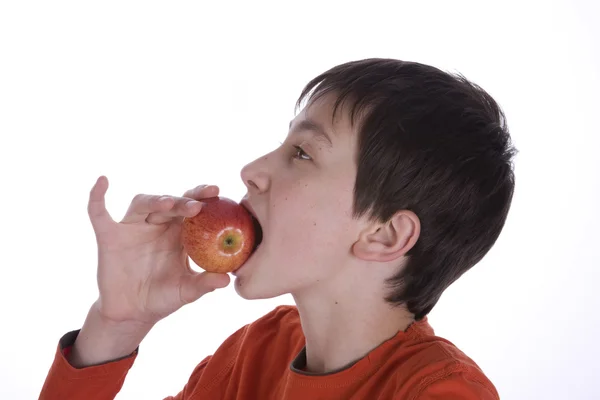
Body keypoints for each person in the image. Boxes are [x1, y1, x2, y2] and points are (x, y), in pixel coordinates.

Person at [39, 58, 516, 399]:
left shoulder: (442, 392)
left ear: (384, 235)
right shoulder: (255, 354)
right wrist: (114, 328)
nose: (252, 169)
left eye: (303, 154)